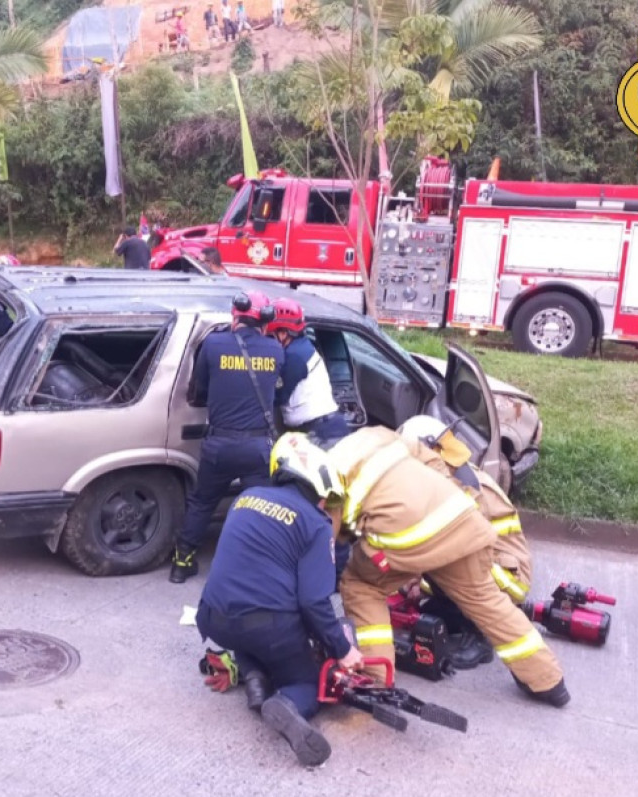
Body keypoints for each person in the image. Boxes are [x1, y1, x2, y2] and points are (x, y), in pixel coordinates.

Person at [328, 426, 570, 707]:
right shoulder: (384, 436)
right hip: (462, 522)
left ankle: (375, 679)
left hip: (416, 538)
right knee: (485, 599)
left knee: (361, 585)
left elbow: (332, 533)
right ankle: (548, 681)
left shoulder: (327, 475)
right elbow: (435, 467)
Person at [197, 433, 363, 767]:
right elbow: (318, 599)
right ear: (318, 490)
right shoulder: (314, 524)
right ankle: (286, 703)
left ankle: (254, 673)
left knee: (248, 634)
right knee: (308, 680)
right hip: (267, 625)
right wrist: (343, 648)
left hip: (213, 616)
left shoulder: (246, 497)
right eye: (326, 500)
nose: (326, 507)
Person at [397, 415, 533, 668]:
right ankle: (455, 611)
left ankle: (479, 638)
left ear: (430, 450)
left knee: (448, 560)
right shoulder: (450, 473)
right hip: (490, 564)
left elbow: (456, 547)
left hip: (506, 578)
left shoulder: (464, 487)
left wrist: (417, 573)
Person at [170, 290, 285, 582]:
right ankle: (253, 571)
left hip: (218, 445)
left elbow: (201, 387)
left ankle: (181, 565)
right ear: (266, 322)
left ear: (235, 317)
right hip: (257, 448)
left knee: (202, 502)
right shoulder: (275, 350)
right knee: (260, 508)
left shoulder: (212, 344)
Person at [267, 298, 348, 442]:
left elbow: (277, 396)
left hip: (321, 432)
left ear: (283, 333)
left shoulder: (295, 356)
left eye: (270, 335)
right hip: (321, 427)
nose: (269, 340)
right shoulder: (300, 347)